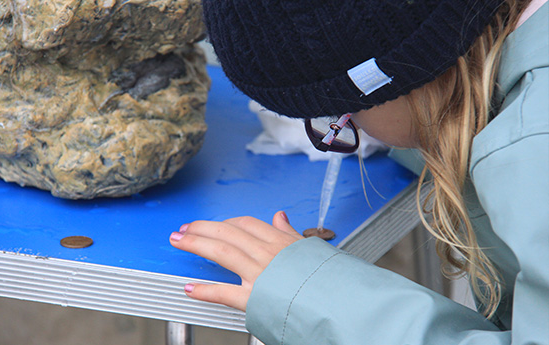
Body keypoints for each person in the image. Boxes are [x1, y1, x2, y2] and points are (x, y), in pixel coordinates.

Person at [169, 0, 549, 344]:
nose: (340, 127)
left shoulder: (530, 149)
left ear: (394, 79)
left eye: (338, 112)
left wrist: (315, 297)